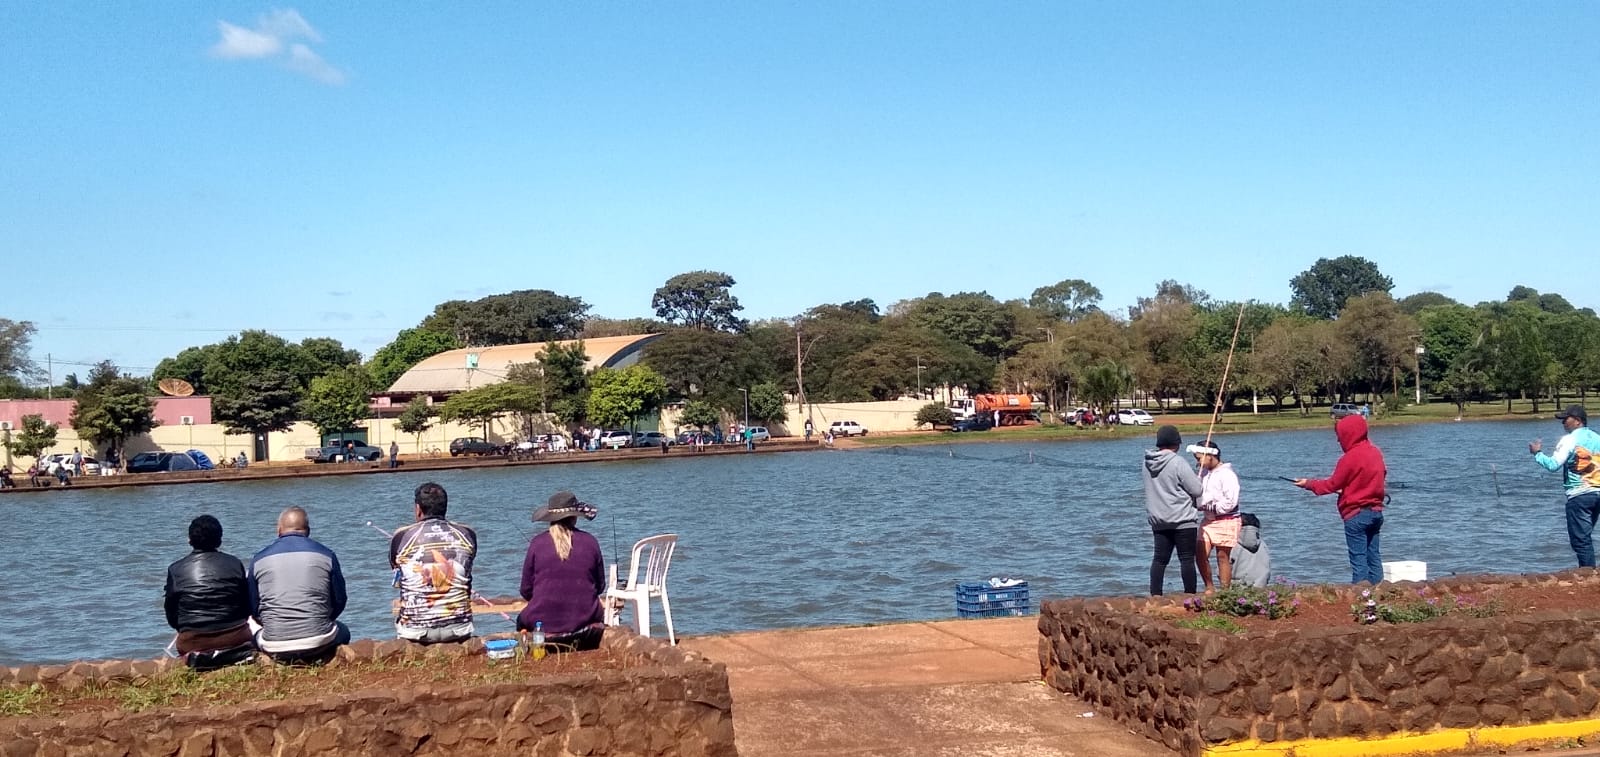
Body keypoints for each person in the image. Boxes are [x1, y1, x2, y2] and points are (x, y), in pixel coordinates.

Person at [248, 507, 350, 662]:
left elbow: (253, 607)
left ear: (279, 529)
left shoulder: (258, 559)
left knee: (251, 632)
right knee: (344, 631)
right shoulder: (327, 555)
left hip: (274, 644)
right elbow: (340, 600)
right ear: (308, 530)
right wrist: (322, 618)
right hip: (319, 641)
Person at [1295, 415, 1388, 584]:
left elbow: (1331, 485)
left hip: (1356, 515)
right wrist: (1350, 489)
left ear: (1348, 435)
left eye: (1340, 436)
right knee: (1374, 557)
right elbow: (1376, 477)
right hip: (1376, 513)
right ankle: (1379, 594)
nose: (1338, 441)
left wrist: (1308, 484)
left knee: (1359, 560)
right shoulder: (1375, 452)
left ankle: (1362, 598)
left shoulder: (1349, 458)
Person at [518, 491, 606, 652]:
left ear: (549, 519)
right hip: (587, 631)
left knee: (521, 620)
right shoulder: (591, 541)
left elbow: (526, 590)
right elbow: (600, 587)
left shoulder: (537, 543)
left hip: (544, 631)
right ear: (575, 517)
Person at [389, 482, 477, 643]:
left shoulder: (401, 536)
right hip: (459, 628)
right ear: (445, 508)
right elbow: (467, 572)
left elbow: (398, 577)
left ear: (418, 509)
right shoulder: (467, 534)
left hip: (415, 630)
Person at [164, 515, 253, 662]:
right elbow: (246, 607)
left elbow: (172, 615)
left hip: (192, 643)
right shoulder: (235, 564)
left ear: (189, 540)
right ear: (220, 539)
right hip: (236, 639)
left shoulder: (176, 570)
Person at [1531, 405, 1600, 566]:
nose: (1563, 423)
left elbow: (1553, 465)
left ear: (1577, 421)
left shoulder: (1569, 440)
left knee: (1580, 540)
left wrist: (1537, 454)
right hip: (1597, 493)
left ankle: (1588, 574)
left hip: (1579, 494)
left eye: (1565, 419)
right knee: (1586, 535)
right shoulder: (1597, 438)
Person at [1144, 425, 1203, 595]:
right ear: (1176, 444)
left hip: (1158, 520)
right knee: (1186, 559)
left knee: (1160, 560)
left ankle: (1155, 595)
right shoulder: (1178, 462)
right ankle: (1190, 595)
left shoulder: (1147, 463)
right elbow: (1196, 490)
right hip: (1183, 520)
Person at [1190, 441, 1240, 593]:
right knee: (1200, 554)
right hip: (1208, 521)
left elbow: (1231, 501)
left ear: (1211, 456)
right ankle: (1209, 587)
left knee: (1222, 556)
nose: (1198, 462)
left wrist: (1210, 506)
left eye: (1199, 458)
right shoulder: (1203, 474)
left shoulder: (1227, 474)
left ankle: (1225, 591)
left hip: (1227, 520)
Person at [1230, 513, 1272, 588]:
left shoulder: (1232, 545)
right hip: (1260, 587)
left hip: (1236, 589)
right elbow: (1267, 568)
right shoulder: (1263, 544)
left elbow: (1221, 572)